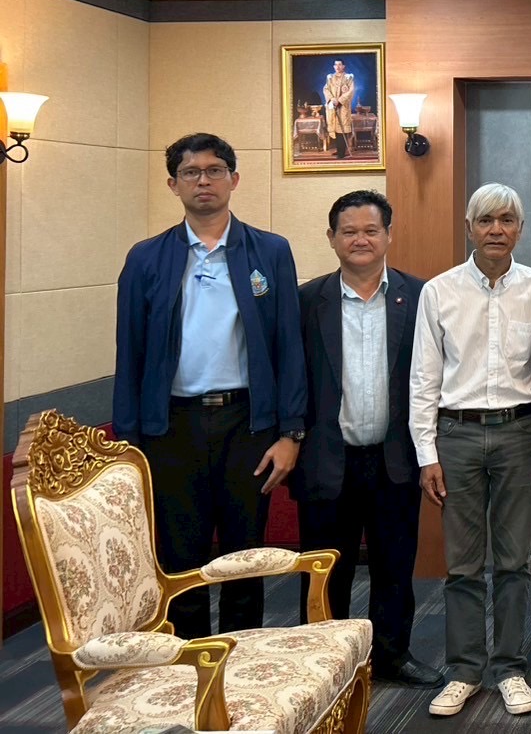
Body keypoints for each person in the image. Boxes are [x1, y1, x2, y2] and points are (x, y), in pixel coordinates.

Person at [114, 132, 306, 640]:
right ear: (173, 184)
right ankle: (188, 660)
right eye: (191, 172)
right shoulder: (146, 258)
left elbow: (289, 345)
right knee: (182, 557)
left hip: (247, 424)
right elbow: (129, 355)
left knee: (245, 555)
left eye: (215, 170)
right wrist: (130, 446)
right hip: (172, 427)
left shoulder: (270, 251)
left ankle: (242, 658)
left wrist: (291, 433)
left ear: (234, 179)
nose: (204, 180)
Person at [409, 183, 531, 718]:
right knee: (464, 565)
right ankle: (465, 670)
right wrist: (427, 454)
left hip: (520, 434)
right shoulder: (438, 292)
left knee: (514, 562)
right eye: (486, 220)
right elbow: (423, 379)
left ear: (520, 229)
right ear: (469, 228)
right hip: (457, 435)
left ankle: (509, 667)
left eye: (507, 220)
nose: (497, 229)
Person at [293, 190, 441, 687]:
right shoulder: (306, 301)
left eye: (371, 230)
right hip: (327, 456)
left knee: (394, 564)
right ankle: (323, 662)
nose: (360, 239)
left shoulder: (419, 297)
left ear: (388, 236)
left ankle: (392, 655)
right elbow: (293, 378)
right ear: (331, 238)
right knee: (324, 567)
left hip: (393, 456)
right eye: (349, 231)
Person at [324, 59, 355, 159]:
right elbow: (326, 89)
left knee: (342, 129)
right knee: (336, 129)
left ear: (343, 66)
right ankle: (339, 149)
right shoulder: (330, 78)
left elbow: (350, 91)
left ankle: (342, 152)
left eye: (340, 64)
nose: (337, 67)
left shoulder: (348, 77)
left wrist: (340, 100)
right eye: (335, 65)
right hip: (333, 106)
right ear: (334, 66)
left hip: (343, 107)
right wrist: (332, 99)